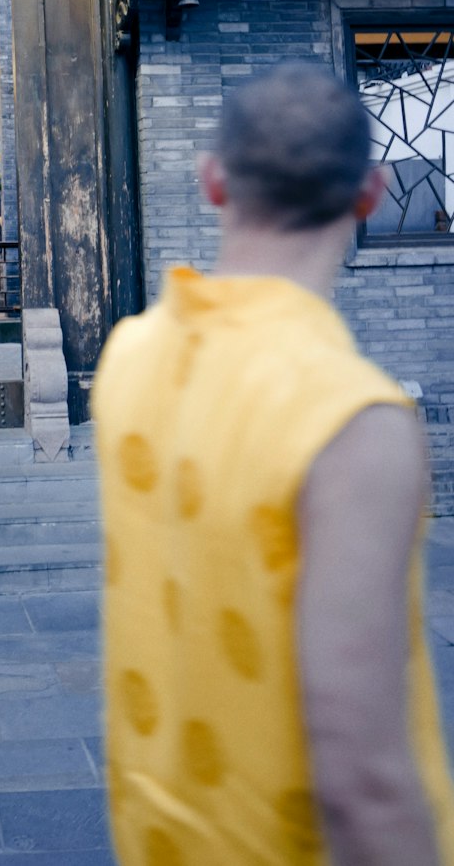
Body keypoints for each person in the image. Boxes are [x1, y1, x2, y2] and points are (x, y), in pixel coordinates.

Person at [92, 62, 454, 865]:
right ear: (371, 192)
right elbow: (359, 775)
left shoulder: (128, 357)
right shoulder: (355, 419)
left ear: (212, 180)